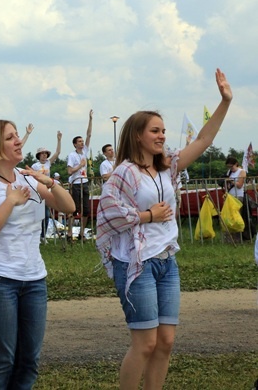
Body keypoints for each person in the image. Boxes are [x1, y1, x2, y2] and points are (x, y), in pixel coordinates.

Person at [95, 69, 232, 390]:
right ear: (137, 135)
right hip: (135, 263)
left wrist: (225, 101)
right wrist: (147, 215)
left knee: (166, 341)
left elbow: (204, 139)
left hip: (167, 261)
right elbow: (108, 213)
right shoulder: (123, 173)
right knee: (145, 343)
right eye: (155, 131)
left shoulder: (167, 167)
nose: (162, 136)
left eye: (164, 131)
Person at [0, 120, 74, 389]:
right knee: (3, 359)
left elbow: (68, 206)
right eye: (10, 137)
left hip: (34, 278)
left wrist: (49, 181)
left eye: (17, 136)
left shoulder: (27, 177)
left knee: (29, 360)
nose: (18, 141)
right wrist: (10, 202)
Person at [66, 110, 93, 242]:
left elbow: (89, 134)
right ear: (75, 144)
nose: (82, 143)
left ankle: (82, 233)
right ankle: (70, 232)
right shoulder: (72, 155)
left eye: (82, 141)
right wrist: (80, 166)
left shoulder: (85, 152)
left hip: (85, 182)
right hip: (75, 183)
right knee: (74, 209)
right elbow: (69, 171)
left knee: (86, 210)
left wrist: (90, 119)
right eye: (79, 142)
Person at [224, 156, 254, 240]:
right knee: (229, 218)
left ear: (236, 164)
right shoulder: (229, 172)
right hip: (229, 197)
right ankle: (229, 238)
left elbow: (240, 185)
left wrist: (231, 180)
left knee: (237, 218)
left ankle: (238, 238)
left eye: (231, 166)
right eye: (228, 167)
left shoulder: (242, 172)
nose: (230, 168)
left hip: (238, 197)